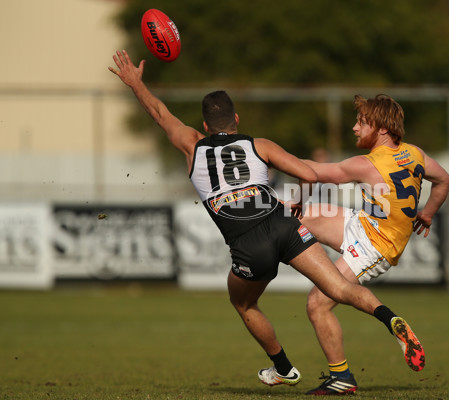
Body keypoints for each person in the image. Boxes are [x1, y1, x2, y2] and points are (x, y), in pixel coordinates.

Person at [108, 51, 424, 391]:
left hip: (248, 243)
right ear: (237, 120)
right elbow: (309, 174)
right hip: (284, 225)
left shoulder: (192, 146)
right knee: (340, 288)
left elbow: (159, 113)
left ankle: (284, 368)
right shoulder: (259, 144)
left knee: (243, 303)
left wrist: (136, 84)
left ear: (203, 126)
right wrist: (300, 204)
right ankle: (390, 319)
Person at [298, 94, 449, 395]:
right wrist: (428, 214)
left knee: (317, 304)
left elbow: (315, 171)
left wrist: (268, 156)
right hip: (364, 223)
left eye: (362, 122)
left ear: (381, 128)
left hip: (374, 247)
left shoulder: (366, 165)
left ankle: (343, 375)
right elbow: (444, 180)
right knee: (296, 213)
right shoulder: (414, 154)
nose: (355, 128)